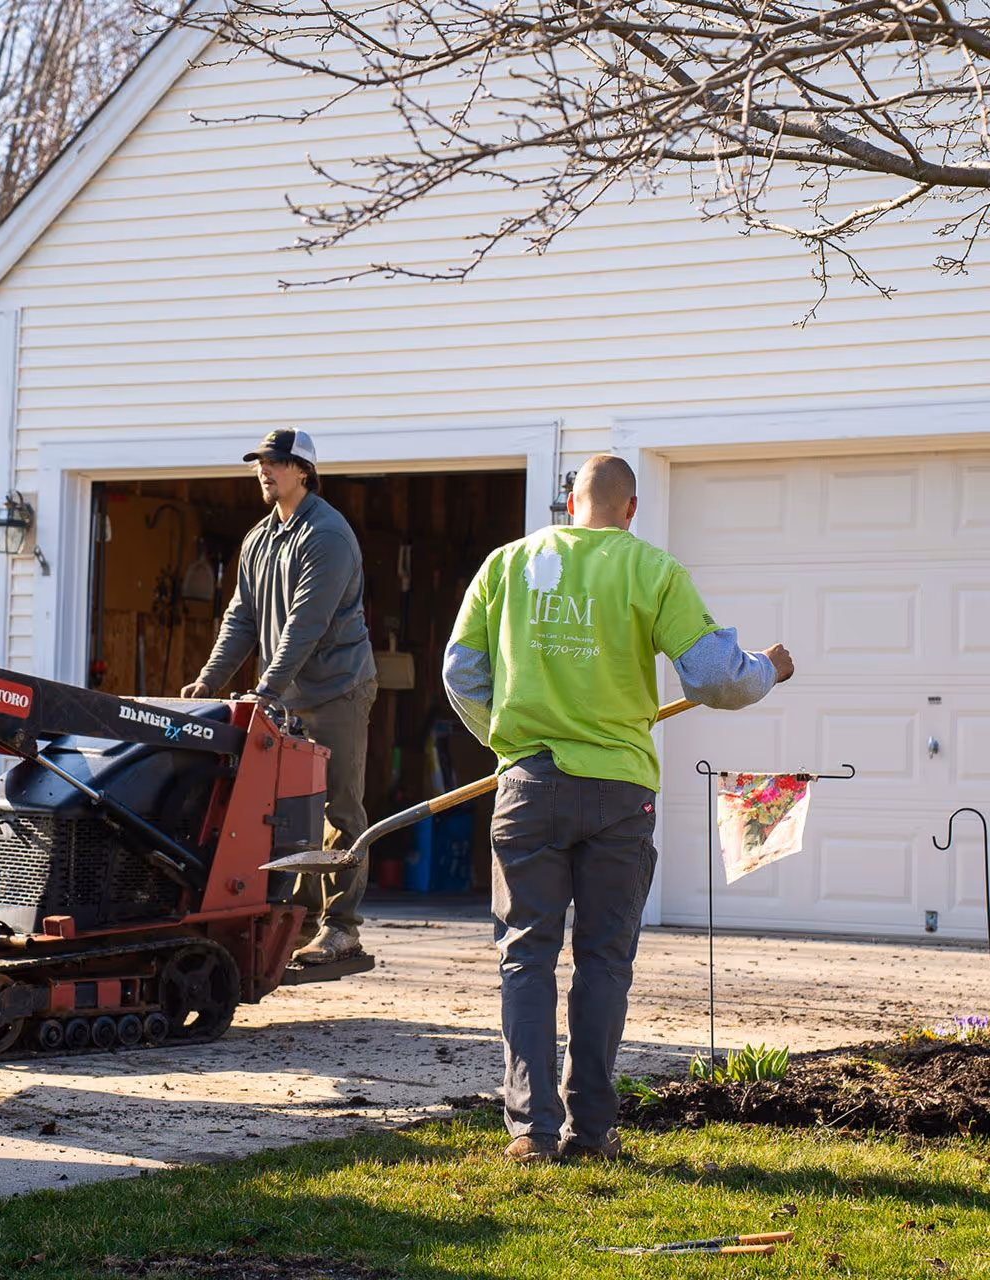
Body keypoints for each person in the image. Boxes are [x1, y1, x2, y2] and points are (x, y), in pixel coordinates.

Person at [442, 454, 793, 1163]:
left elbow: (463, 674)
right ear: (630, 509)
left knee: (525, 956)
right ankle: (591, 1130)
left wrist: (510, 744)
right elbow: (714, 678)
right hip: (619, 796)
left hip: (528, 789)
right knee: (603, 960)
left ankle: (532, 1131)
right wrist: (767, 670)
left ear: (569, 504)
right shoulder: (650, 570)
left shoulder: (506, 565)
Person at [182, 429, 378, 964]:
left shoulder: (328, 535)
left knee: (340, 807)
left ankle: (341, 928)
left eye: (276, 462)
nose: (264, 471)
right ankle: (299, 919)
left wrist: (265, 689)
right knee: (292, 812)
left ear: (304, 472)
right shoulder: (259, 538)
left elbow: (305, 624)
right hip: (285, 696)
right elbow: (241, 617)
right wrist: (209, 680)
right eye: (260, 463)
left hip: (337, 690)